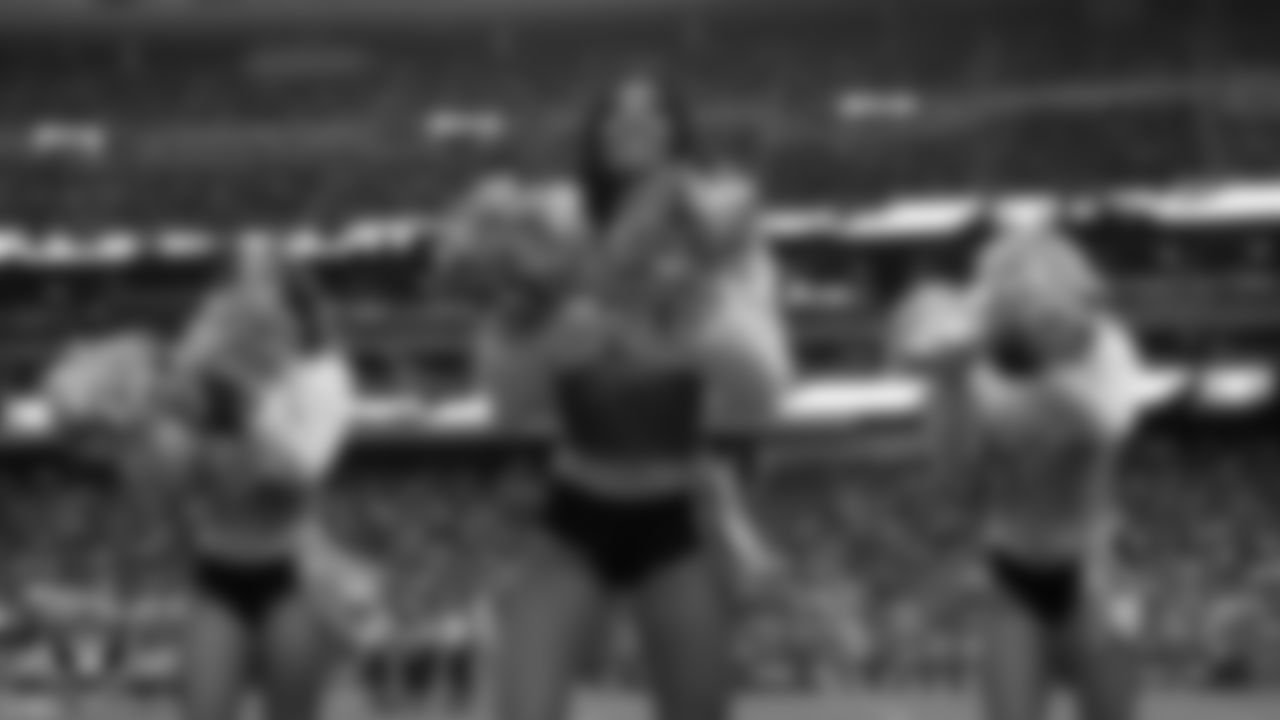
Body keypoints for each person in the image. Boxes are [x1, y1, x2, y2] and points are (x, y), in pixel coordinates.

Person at [439, 74, 791, 720]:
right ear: (595, 134)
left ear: (678, 132)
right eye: (615, 112)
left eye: (652, 111)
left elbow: (764, 393)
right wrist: (544, 336)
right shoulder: (552, 225)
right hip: (577, 507)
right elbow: (505, 402)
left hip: (678, 512)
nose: (632, 122)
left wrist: (699, 325)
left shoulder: (719, 232)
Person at [43, 240, 359, 720]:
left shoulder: (313, 387)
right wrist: (128, 427)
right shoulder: (190, 379)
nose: (247, 299)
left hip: (292, 578)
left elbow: (290, 478)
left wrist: (231, 420)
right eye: (237, 285)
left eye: (265, 287)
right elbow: (162, 487)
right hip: (218, 577)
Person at [889, 223, 1149, 720]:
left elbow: (1107, 423)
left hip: (1100, 562)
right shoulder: (971, 366)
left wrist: (1036, 366)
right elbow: (956, 482)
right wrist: (949, 385)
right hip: (1012, 567)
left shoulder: (1106, 346)